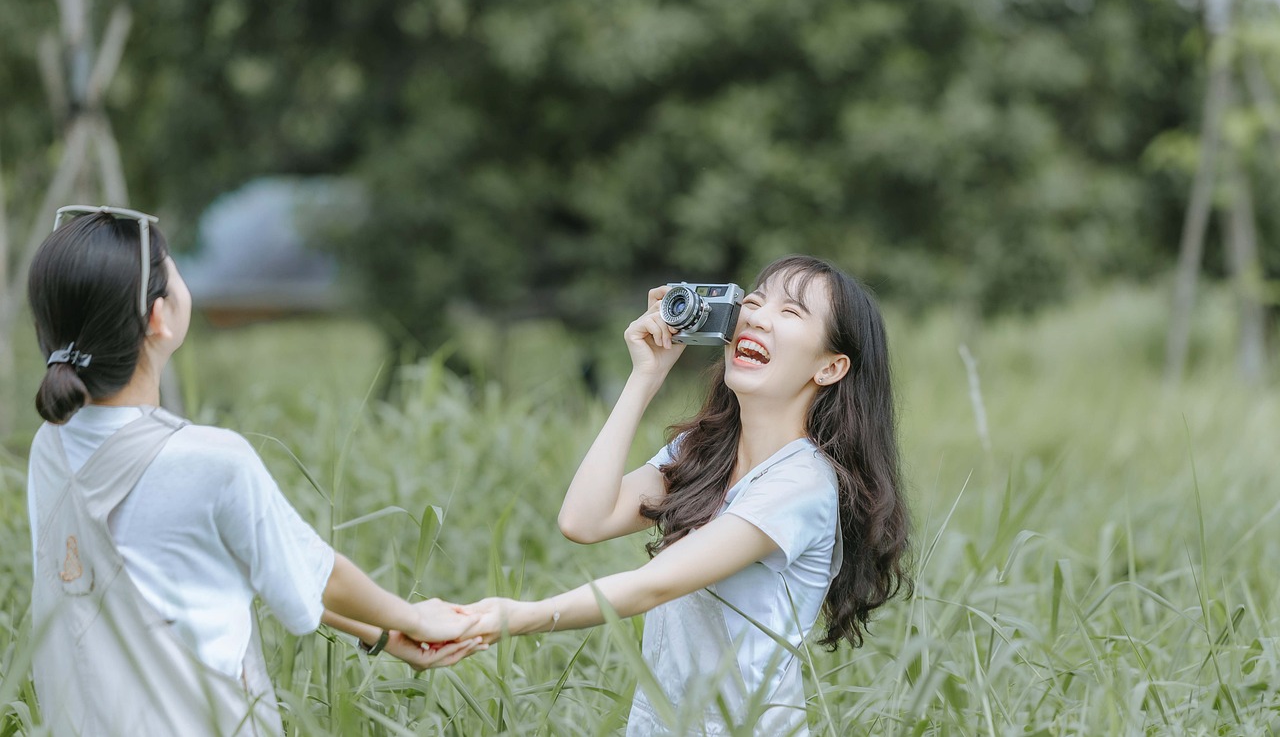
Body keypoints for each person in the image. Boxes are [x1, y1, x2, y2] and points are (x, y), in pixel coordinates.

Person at [25, 205, 485, 737]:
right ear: (159, 318)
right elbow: (321, 573)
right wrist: (414, 619)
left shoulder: (49, 448)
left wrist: (380, 633)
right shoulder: (208, 459)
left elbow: (260, 565)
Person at [467, 254, 912, 736]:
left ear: (830, 367)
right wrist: (645, 377)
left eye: (790, 313)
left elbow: (653, 584)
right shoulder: (705, 452)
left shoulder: (802, 484)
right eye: (756, 300)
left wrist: (511, 618)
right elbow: (584, 520)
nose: (758, 316)